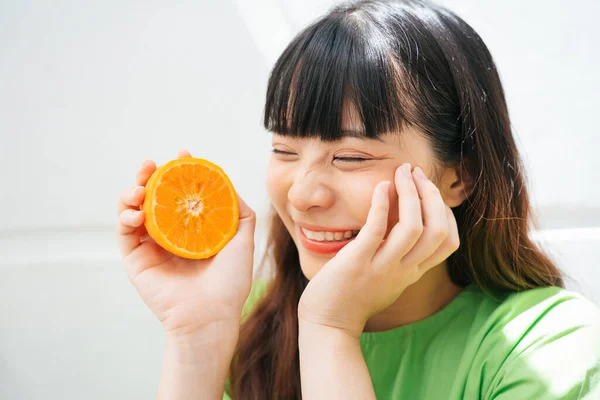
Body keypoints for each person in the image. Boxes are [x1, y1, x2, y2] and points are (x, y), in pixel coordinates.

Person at [116, 0, 600, 399]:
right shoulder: (246, 322)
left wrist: (330, 329)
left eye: (350, 157)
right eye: (284, 150)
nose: (304, 195)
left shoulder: (551, 346)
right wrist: (197, 335)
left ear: (462, 177)